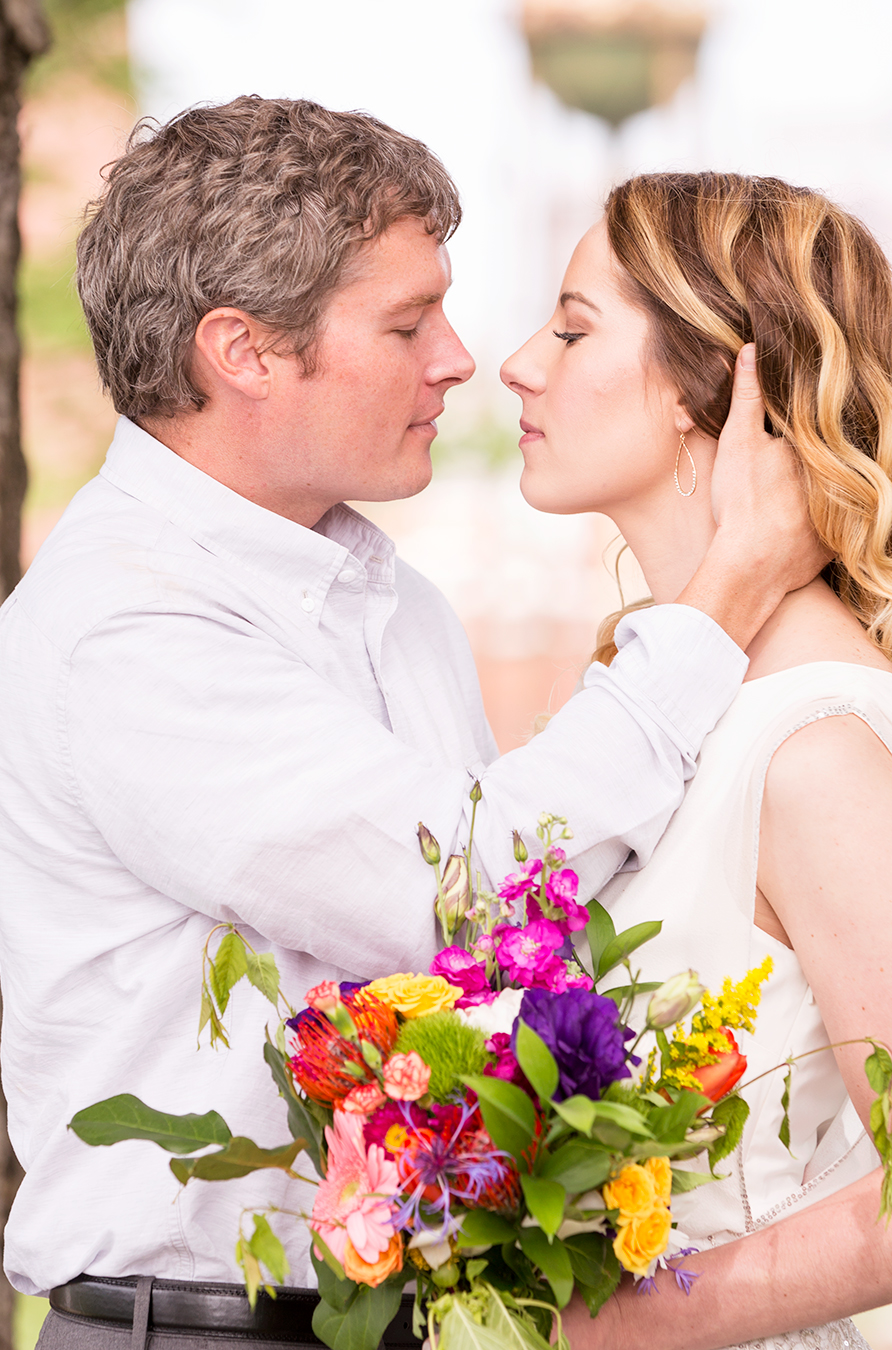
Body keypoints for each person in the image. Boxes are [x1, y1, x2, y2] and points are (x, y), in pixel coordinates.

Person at [0, 103, 819, 1350]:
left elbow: (493, 989)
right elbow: (470, 893)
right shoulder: (129, 630)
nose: (460, 358)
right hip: (208, 1331)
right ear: (245, 352)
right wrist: (725, 598)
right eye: (404, 322)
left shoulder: (395, 603)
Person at [501, 170, 892, 1350]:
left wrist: (604, 1328)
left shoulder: (814, 750)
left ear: (715, 385)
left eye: (573, 329)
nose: (519, 363)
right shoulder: (650, 712)